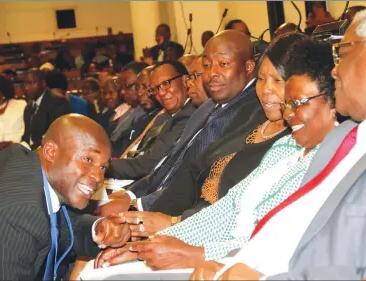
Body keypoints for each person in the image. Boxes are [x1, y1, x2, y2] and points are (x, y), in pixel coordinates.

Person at [93, 34, 338, 272]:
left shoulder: (327, 156)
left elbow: (273, 239)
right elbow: (226, 210)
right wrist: (145, 245)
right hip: (205, 243)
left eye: (297, 100)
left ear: (330, 96)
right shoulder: (281, 147)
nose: (267, 91)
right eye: (262, 80)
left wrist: (193, 251)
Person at [190, 4, 366, 280]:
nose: (335, 70)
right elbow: (292, 226)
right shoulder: (343, 138)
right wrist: (230, 266)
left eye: (343, 53)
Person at [145, 34, 305, 226]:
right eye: (261, 79)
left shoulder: (295, 141)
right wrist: (150, 218)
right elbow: (194, 170)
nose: (266, 90)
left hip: (207, 233)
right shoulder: (251, 114)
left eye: (277, 80)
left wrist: (172, 224)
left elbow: (238, 211)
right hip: (186, 220)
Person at [106, 30, 262, 214]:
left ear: (249, 66)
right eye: (206, 65)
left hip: (181, 215)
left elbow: (198, 181)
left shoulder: (252, 112)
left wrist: (138, 207)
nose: (212, 73)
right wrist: (131, 195)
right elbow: (170, 161)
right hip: (155, 201)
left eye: (223, 64)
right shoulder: (207, 106)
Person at [0, 114, 132, 280]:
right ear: (51, 151)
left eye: (102, 167)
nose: (98, 178)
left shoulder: (26, 164)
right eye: (88, 159)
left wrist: (98, 229)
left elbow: (56, 224)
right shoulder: (15, 212)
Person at [103, 61, 196, 182]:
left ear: (185, 80)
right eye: (155, 89)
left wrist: (101, 166)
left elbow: (148, 163)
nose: (161, 93)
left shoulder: (189, 115)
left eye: (166, 83)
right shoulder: (163, 116)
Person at [21, 68, 71, 150]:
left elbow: (55, 137)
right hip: (31, 155)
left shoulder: (57, 102)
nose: (26, 88)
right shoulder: (29, 107)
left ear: (43, 83)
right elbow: (28, 136)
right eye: (24, 84)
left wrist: (29, 151)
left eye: (31, 83)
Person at [109, 62, 148, 157]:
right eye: (121, 87)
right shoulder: (131, 110)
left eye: (127, 86)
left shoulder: (150, 114)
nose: (122, 92)